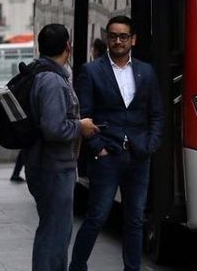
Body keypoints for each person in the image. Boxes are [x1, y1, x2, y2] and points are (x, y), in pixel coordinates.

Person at [70, 16, 165, 271]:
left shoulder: (146, 71)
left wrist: (150, 143)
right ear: (107, 38)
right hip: (106, 156)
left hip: (139, 155)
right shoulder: (91, 71)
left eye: (124, 36)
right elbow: (83, 116)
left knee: (134, 220)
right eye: (113, 36)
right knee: (97, 217)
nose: (118, 41)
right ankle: (77, 266)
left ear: (133, 39)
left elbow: (156, 113)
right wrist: (97, 147)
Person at [25, 23, 99, 271]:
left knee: (52, 229)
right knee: (55, 233)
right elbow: (54, 128)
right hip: (54, 167)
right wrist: (81, 126)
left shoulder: (40, 73)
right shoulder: (52, 81)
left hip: (47, 164)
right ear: (68, 47)